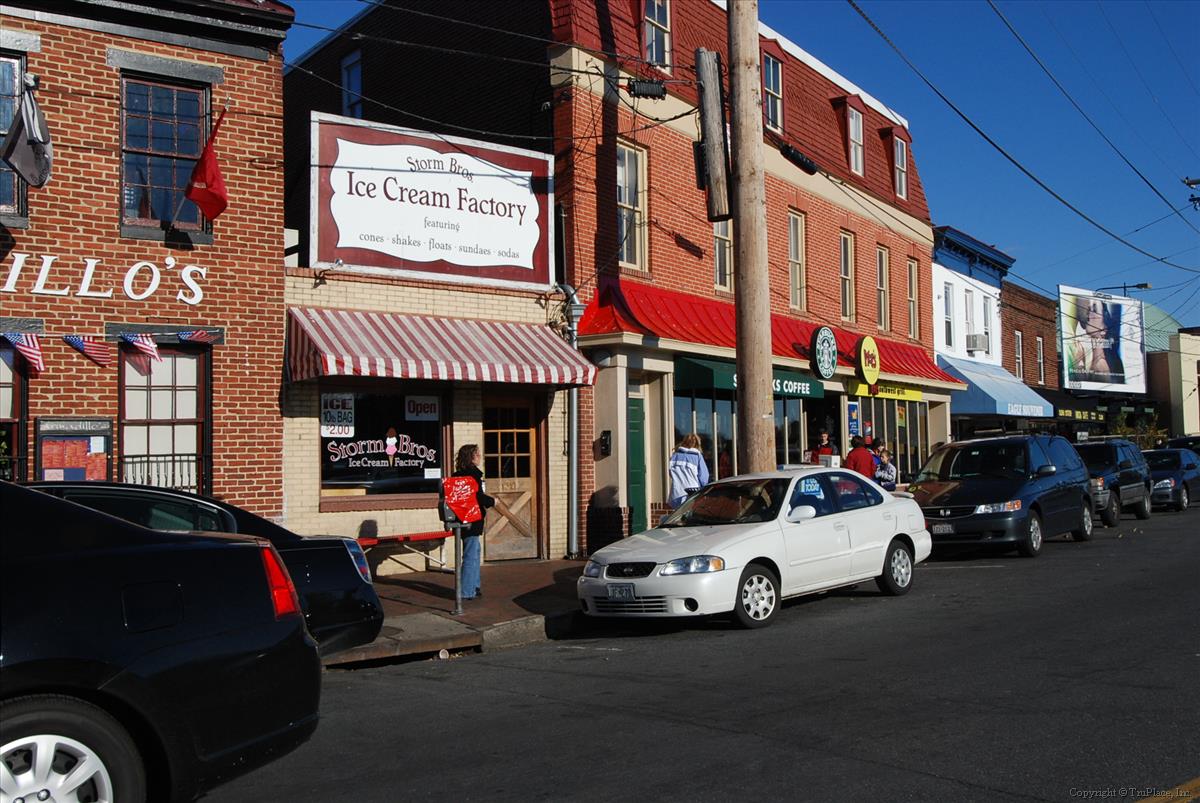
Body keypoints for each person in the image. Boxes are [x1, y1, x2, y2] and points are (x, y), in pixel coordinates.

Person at [452, 444, 494, 600]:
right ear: (470, 457)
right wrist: (492, 501)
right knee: (470, 555)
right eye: (477, 454)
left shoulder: (457, 474)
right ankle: (466, 590)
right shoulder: (473, 475)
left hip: (461, 518)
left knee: (474, 553)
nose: (480, 457)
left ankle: (474, 586)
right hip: (472, 519)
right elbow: (477, 496)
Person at [668, 434, 710, 509]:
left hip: (676, 493)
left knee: (677, 518)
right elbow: (704, 478)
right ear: (697, 444)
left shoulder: (674, 455)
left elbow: (670, 473)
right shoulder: (697, 457)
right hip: (692, 493)